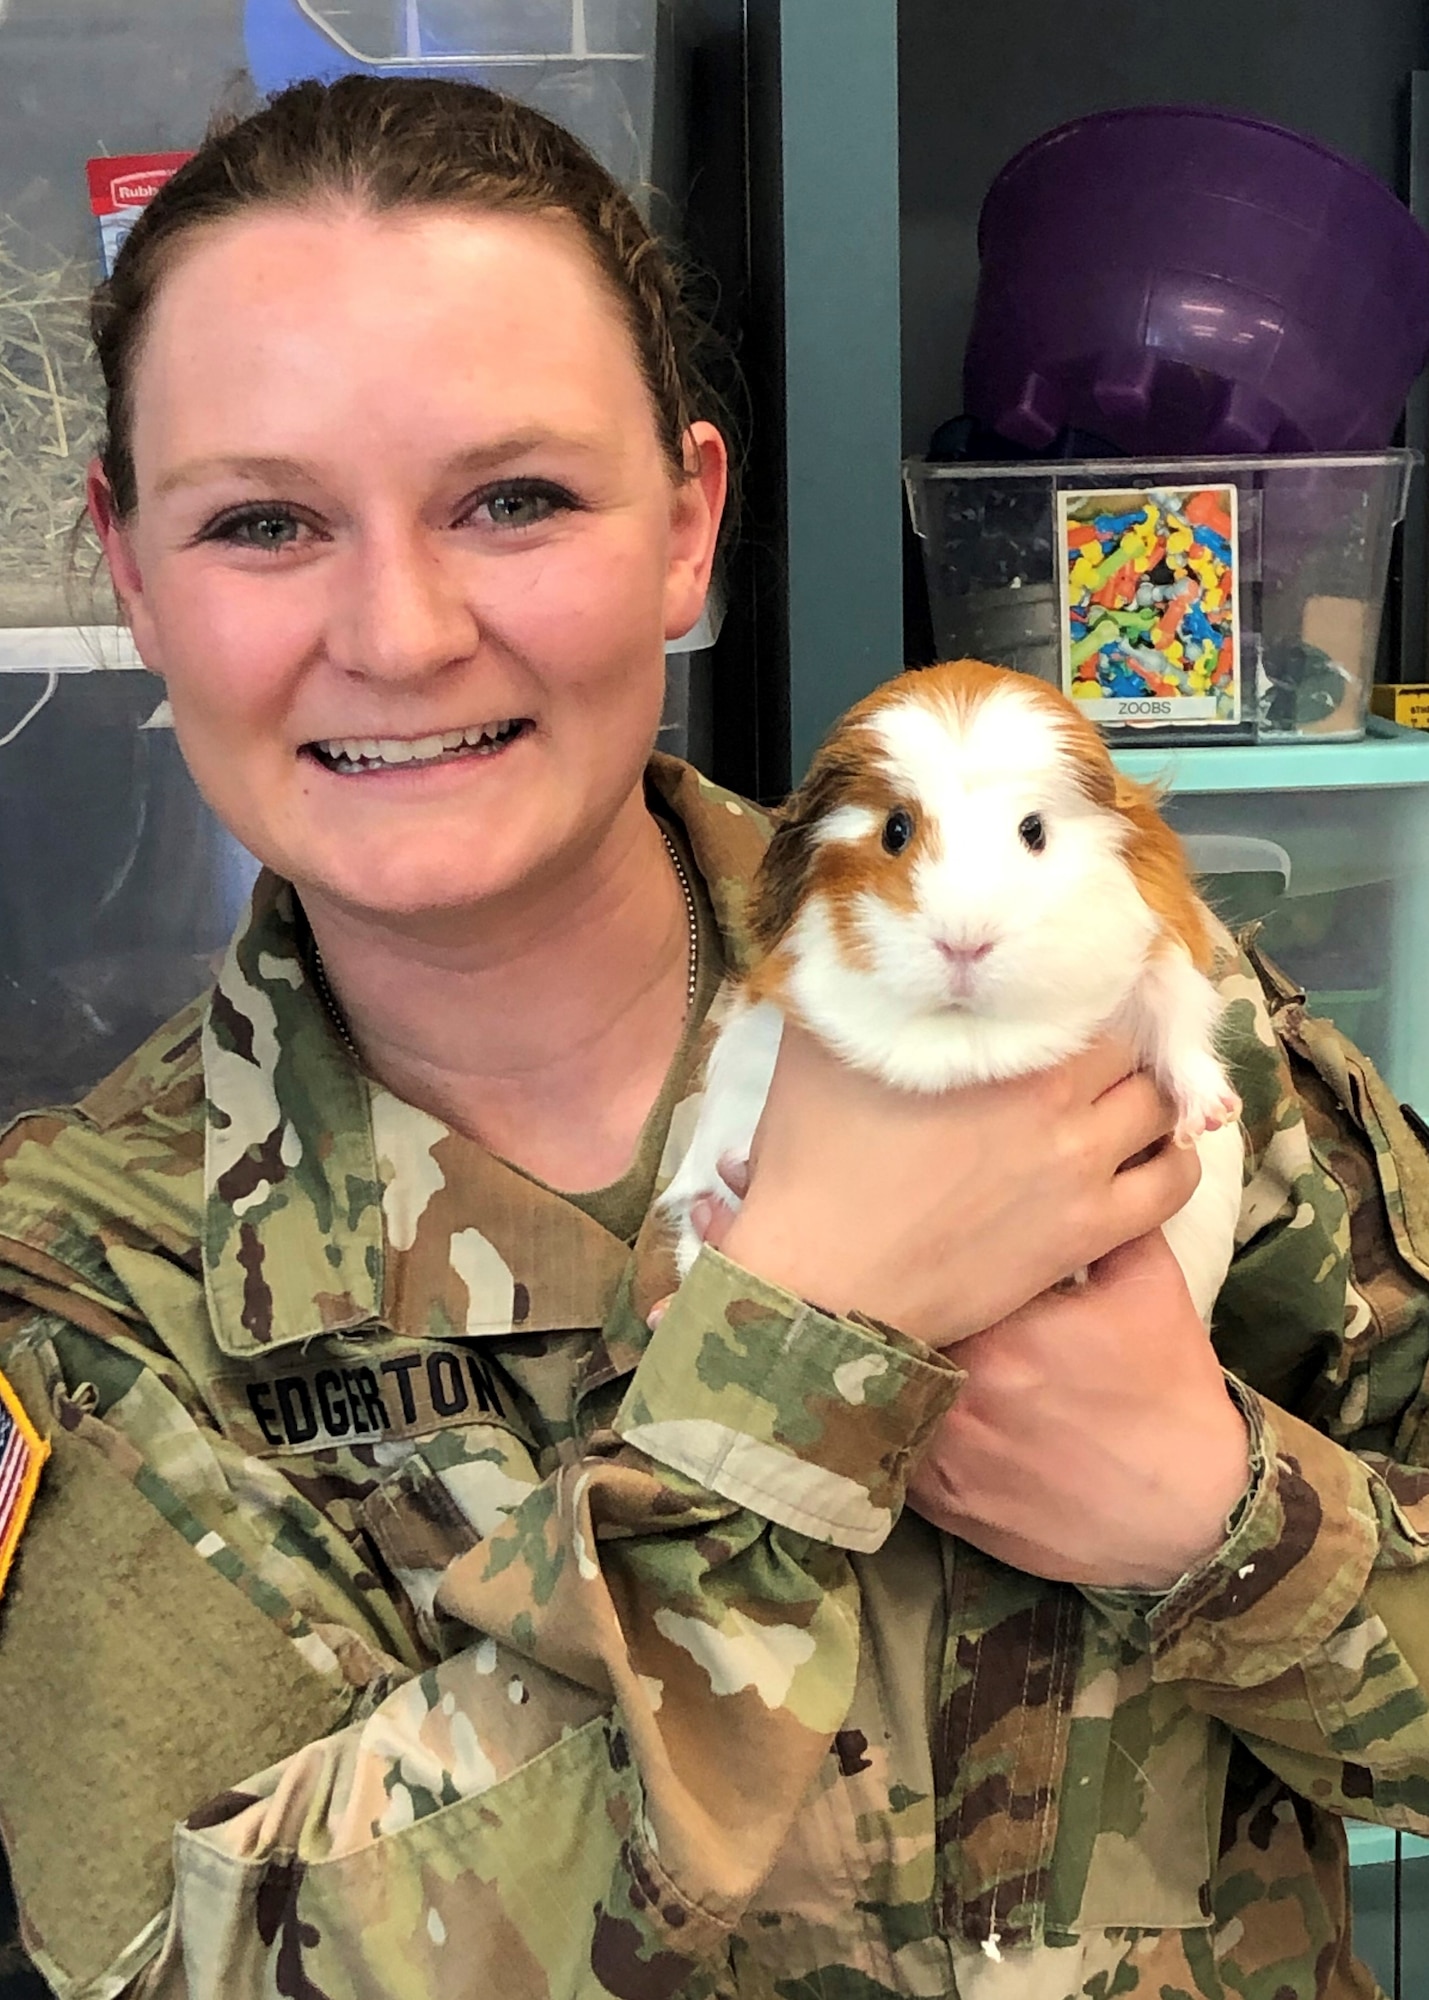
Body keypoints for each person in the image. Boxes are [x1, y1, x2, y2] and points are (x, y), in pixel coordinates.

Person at [0, 73, 1426, 2000]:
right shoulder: (94, 1290)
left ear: (689, 527)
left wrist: (1219, 1523)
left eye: (513, 499)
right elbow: (179, 1972)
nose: (401, 631)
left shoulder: (1122, 1010)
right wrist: (786, 1376)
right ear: (134, 573)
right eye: (264, 521)